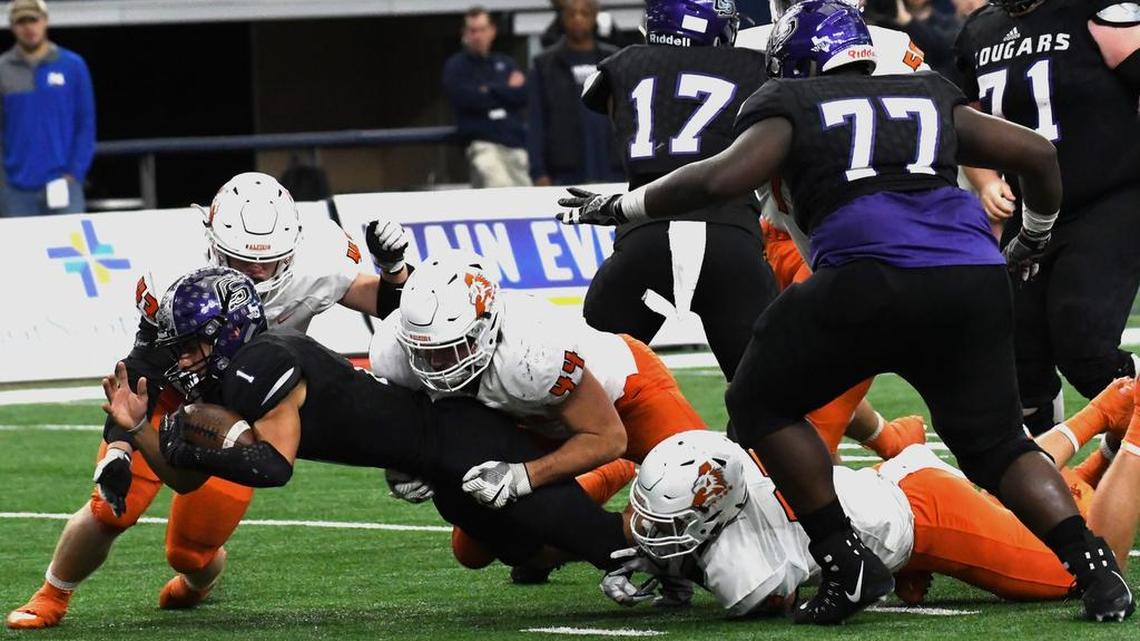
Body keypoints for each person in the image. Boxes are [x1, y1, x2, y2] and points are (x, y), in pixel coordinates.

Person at [555, 0, 1131, 624]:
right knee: (996, 447)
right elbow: (1038, 155)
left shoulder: (795, 103)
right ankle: (1096, 569)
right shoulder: (925, 92)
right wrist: (1033, 237)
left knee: (759, 401)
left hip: (866, 279)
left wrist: (623, 207)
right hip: (970, 280)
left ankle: (844, 559)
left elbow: (719, 179)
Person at [6, 173, 411, 630]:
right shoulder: (176, 267)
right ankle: (51, 596)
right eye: (241, 259)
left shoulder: (321, 258)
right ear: (213, 241)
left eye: (271, 261)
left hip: (240, 411)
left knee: (190, 550)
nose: (256, 272)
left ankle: (198, 583)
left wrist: (394, 267)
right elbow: (141, 369)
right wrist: (119, 447)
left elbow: (391, 305)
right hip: (174, 391)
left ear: (293, 245)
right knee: (110, 506)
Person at [102, 268, 632, 579]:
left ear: (229, 332)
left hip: (458, 441)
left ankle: (684, 538)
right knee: (523, 554)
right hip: (426, 461)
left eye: (195, 345)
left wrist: (186, 441)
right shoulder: (234, 369)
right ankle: (602, 505)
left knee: (608, 545)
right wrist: (140, 430)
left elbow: (271, 466)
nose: (185, 360)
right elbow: (188, 481)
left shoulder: (259, 361)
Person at [604, 378, 1140, 617]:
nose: (651, 528)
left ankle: (1129, 423)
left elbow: (767, 600)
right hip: (887, 491)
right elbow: (837, 387)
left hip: (923, 515)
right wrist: (885, 437)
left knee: (1086, 567)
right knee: (1013, 497)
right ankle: (1101, 440)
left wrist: (675, 567)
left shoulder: (736, 573)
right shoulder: (749, 451)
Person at [370, 251, 705, 584]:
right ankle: (600, 533)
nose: (436, 365)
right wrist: (406, 467)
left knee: (704, 485)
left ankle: (621, 470)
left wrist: (523, 476)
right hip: (533, 420)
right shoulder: (397, 353)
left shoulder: (531, 346)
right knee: (471, 549)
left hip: (624, 397)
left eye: (449, 348)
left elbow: (609, 437)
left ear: (486, 327)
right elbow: (420, 430)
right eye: (424, 351)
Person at [736, 0, 931, 460]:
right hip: (773, 233)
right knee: (791, 372)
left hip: (853, 238)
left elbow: (946, 120)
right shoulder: (746, 44)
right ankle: (888, 442)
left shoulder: (892, 47)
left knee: (799, 385)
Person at [569, 0, 780, 388]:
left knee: (585, 385)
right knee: (768, 398)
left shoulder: (622, 65)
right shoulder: (755, 67)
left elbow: (611, 107)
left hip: (645, 235)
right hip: (729, 236)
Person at [954, 0, 1140, 435]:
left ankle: (1131, 453)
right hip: (1032, 213)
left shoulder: (1095, 10)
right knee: (1017, 360)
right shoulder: (981, 30)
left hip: (1110, 198)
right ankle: (1049, 483)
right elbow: (966, 122)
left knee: (1085, 346)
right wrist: (985, 182)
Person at [0, 0, 95, 216]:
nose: (28, 28)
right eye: (21, 22)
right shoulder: (2, 69)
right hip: (15, 190)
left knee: (72, 248)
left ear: (45, 21)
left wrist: (75, 171)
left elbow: (86, 123)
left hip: (64, 184)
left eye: (33, 20)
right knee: (21, 250)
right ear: (13, 27)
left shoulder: (72, 65)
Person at [527, 0, 623, 186]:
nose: (578, 19)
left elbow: (627, 116)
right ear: (562, 18)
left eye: (584, 13)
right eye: (572, 14)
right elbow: (536, 121)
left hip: (612, 166)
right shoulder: (543, 65)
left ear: (595, 17)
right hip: (564, 169)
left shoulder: (615, 60)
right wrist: (538, 170)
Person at [442, 7, 531, 188]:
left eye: (482, 30)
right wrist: (504, 89)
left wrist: (488, 89)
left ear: (492, 31)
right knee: (498, 188)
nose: (478, 36)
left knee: (526, 196)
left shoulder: (505, 62)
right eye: (473, 31)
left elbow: (522, 95)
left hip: (514, 144)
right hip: (482, 144)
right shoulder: (456, 66)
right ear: (465, 33)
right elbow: (466, 99)